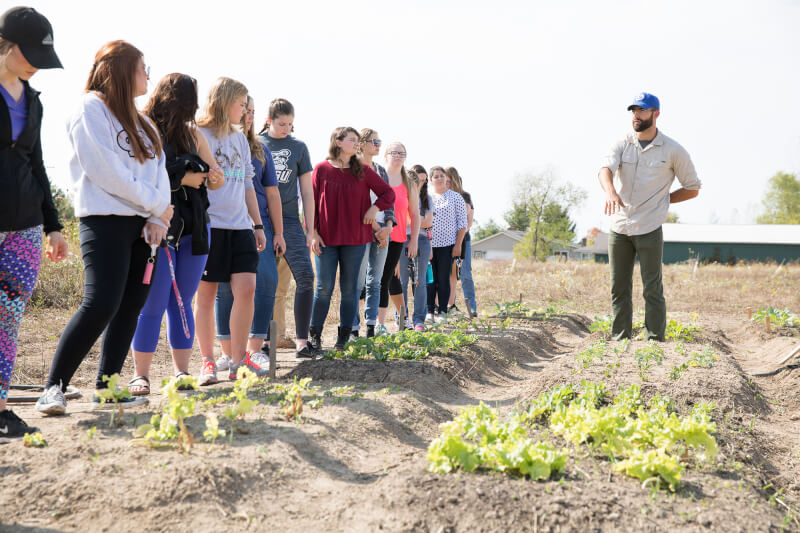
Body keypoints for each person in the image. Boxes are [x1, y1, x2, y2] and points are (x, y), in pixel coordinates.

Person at [36, 40, 170, 415]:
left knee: (131, 304)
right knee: (101, 303)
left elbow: (159, 173)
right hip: (104, 219)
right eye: (143, 66)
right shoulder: (90, 108)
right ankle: (53, 387)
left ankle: (108, 385)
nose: (148, 75)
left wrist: (159, 216)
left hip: (144, 227)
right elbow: (105, 170)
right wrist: (158, 205)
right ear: (122, 70)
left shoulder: (145, 123)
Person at [128, 73, 224, 396]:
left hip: (195, 230)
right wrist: (182, 177)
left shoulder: (193, 134)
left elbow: (214, 179)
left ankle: (181, 372)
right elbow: (140, 174)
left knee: (182, 302)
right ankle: (140, 375)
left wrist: (213, 176)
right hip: (158, 228)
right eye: (191, 101)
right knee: (152, 302)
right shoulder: (144, 128)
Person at [0, 6, 68, 437]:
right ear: (5, 46)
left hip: (23, 225)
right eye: (30, 55)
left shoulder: (34, 101)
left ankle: (1, 408)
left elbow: (37, 164)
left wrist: (53, 225)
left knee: (7, 321)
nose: (36, 67)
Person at [598, 92, 701, 341]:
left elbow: (692, 188)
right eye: (634, 111)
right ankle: (619, 337)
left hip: (650, 227)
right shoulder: (622, 143)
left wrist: (664, 200)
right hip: (620, 226)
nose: (636, 115)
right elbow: (604, 170)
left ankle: (654, 338)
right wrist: (611, 192)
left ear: (655, 113)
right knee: (618, 287)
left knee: (652, 288)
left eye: (642, 111)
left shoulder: (674, 150)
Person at [194, 77, 268, 384]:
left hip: (240, 227)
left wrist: (258, 224)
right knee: (206, 296)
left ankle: (239, 361)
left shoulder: (240, 138)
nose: (246, 111)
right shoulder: (198, 133)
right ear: (225, 102)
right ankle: (208, 361)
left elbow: (248, 183)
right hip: (211, 226)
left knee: (247, 290)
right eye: (241, 104)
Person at [215, 95, 285, 371]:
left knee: (266, 280)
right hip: (224, 221)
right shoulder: (215, 144)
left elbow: (273, 194)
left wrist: (277, 232)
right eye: (246, 109)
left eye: (254, 111)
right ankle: (228, 351)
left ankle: (254, 350)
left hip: (259, 224)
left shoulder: (261, 150)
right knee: (225, 287)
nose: (249, 115)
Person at [309, 127, 394, 350]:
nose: (357, 144)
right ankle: (314, 336)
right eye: (352, 140)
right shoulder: (321, 170)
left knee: (350, 290)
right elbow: (310, 204)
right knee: (324, 288)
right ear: (338, 142)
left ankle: (343, 338)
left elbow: (388, 194)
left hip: (356, 240)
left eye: (358, 140)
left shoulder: (363, 170)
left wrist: (374, 209)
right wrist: (313, 233)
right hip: (325, 240)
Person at [258, 99, 318, 359]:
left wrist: (311, 229)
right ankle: (262, 343)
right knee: (265, 282)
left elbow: (307, 191)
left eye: (291, 124)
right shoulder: (256, 144)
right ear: (269, 120)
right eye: (282, 124)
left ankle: (303, 343)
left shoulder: (299, 147)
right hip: (262, 219)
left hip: (291, 220)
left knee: (306, 277)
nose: (286, 128)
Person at [352, 128, 395, 338]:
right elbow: (355, 205)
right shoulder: (353, 169)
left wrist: (388, 226)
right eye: (374, 141)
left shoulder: (381, 170)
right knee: (357, 281)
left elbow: (389, 200)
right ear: (361, 143)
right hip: (360, 230)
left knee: (375, 280)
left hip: (381, 231)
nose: (378, 144)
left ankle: (371, 326)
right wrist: (376, 229)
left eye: (379, 140)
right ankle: (352, 327)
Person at [375, 142, 419, 335]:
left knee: (389, 278)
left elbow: (415, 215)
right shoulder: (377, 176)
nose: (398, 156)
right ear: (385, 155)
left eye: (402, 153)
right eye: (394, 152)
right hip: (376, 234)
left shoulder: (408, 181)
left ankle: (393, 321)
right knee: (375, 279)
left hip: (398, 238)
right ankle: (367, 322)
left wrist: (414, 240)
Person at [425, 166, 466, 322]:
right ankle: (429, 310)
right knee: (430, 278)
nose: (439, 178)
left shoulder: (456, 197)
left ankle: (442, 311)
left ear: (446, 178)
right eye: (436, 176)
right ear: (431, 180)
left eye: (442, 175)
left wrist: (458, 245)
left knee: (443, 278)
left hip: (448, 245)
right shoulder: (427, 198)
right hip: (429, 245)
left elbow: (462, 223)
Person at [397, 165, 434, 331]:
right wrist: (417, 218)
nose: (420, 184)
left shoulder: (427, 199)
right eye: (418, 180)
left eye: (424, 181)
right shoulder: (401, 195)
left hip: (423, 240)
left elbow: (428, 222)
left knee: (420, 281)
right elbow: (401, 219)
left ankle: (419, 320)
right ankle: (402, 319)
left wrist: (411, 216)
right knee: (402, 281)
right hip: (402, 239)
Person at [445, 166, 477, 317]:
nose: (447, 184)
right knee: (449, 274)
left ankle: (472, 307)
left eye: (449, 181)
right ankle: (450, 305)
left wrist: (460, 237)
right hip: (445, 241)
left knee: (465, 273)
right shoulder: (442, 196)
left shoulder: (465, 196)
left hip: (464, 240)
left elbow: (469, 222)